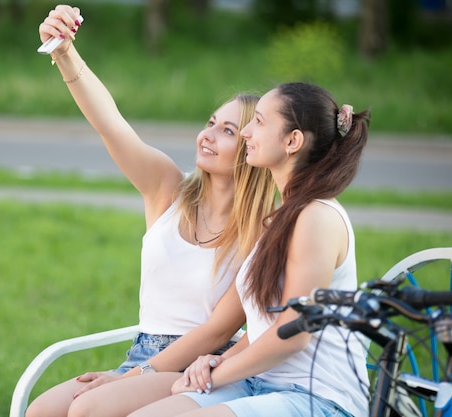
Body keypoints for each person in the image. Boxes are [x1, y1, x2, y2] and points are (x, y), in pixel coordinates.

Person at [26, 5, 277, 417]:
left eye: (228, 131)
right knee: (41, 412)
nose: (207, 135)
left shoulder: (262, 230)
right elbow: (111, 124)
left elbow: (219, 330)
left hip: (201, 366)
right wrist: (65, 52)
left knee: (87, 411)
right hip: (143, 353)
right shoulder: (168, 187)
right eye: (211, 122)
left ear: (252, 146)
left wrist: (130, 379)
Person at [123, 82, 372, 417]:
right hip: (259, 382)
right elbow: (261, 327)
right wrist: (219, 360)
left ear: (292, 141)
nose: (245, 133)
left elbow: (293, 333)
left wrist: (216, 373)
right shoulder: (279, 218)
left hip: (315, 395)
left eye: (259, 122)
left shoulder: (316, 217)